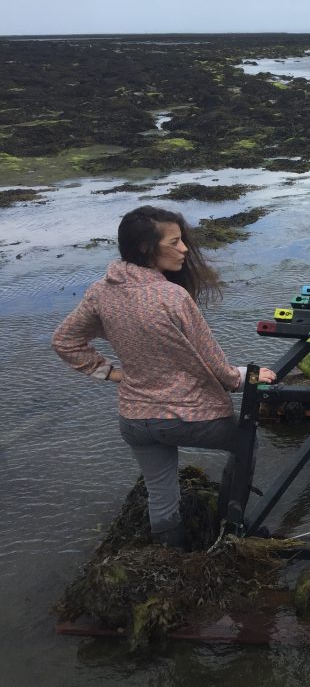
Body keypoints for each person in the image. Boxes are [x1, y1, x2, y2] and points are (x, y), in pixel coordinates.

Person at [52, 205, 276, 549]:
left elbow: (65, 341)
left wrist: (111, 374)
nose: (185, 249)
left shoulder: (101, 291)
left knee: (161, 495)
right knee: (244, 440)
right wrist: (251, 376)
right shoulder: (172, 297)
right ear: (146, 248)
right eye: (175, 241)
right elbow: (220, 370)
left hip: (134, 421)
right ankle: (233, 524)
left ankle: (171, 555)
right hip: (183, 418)